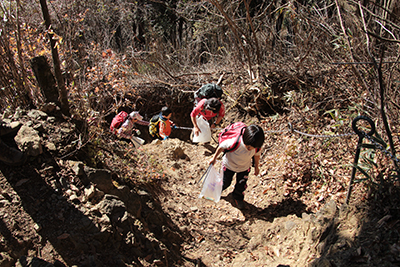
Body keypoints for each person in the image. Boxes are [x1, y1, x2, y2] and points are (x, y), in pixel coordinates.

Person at [208, 124, 265, 209]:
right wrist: (214, 158)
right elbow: (221, 147)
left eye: (253, 148)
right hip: (228, 166)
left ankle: (238, 198)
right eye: (248, 147)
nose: (250, 149)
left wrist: (257, 167)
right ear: (244, 139)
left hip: (244, 168)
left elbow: (257, 155)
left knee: (241, 185)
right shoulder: (235, 142)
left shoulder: (256, 147)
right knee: (225, 182)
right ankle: (215, 191)